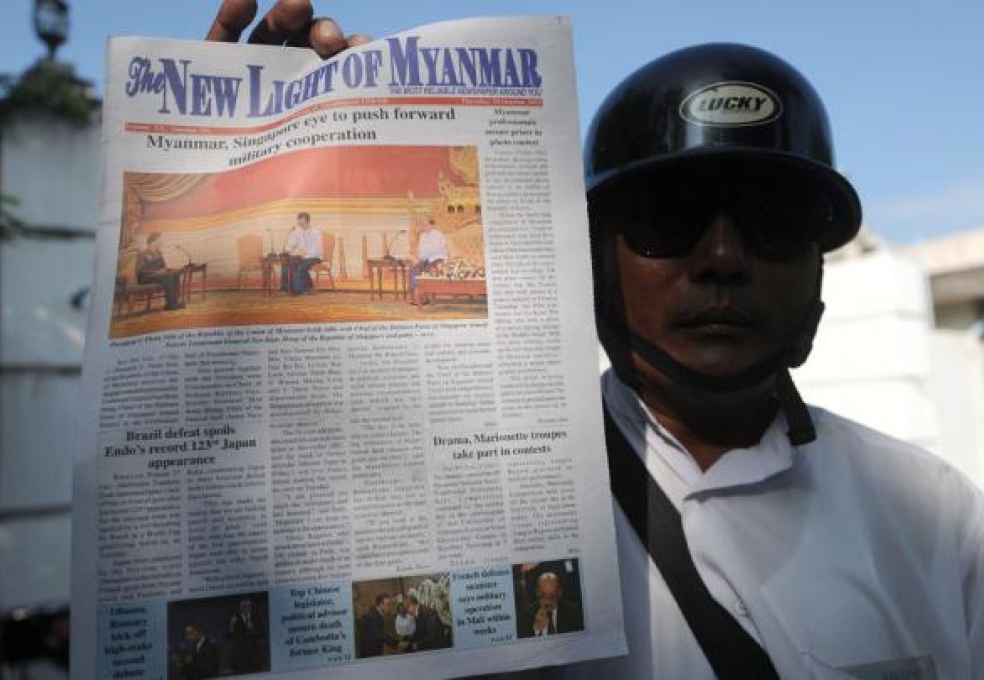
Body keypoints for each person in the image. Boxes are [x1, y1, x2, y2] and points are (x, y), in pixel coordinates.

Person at [207, 5, 984, 677]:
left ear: (818, 269)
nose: (721, 258)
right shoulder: (467, 499)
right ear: (593, 259)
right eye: (667, 216)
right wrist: (261, 165)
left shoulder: (935, 519)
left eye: (774, 217)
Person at [517, 572, 584, 638]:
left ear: (559, 592)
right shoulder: (526, 616)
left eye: (552, 596)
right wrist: (537, 630)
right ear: (537, 592)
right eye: (543, 595)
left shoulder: (574, 612)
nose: (547, 602)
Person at [136, 232, 184, 310]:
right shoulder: (142, 253)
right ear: (153, 241)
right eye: (160, 240)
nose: (161, 242)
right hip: (145, 277)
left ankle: (175, 301)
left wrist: (166, 270)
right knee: (168, 277)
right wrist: (156, 272)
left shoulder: (159, 252)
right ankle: (170, 304)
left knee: (175, 274)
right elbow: (140, 270)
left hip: (158, 276)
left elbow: (163, 266)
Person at [409, 215, 448, 304]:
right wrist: (417, 259)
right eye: (422, 224)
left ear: (431, 225)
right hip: (426, 259)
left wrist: (422, 259)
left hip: (438, 259)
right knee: (414, 270)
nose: (423, 226)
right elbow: (421, 251)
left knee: (426, 270)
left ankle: (424, 297)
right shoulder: (422, 235)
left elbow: (434, 250)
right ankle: (416, 296)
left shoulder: (438, 234)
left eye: (425, 224)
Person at [283, 212, 324, 294]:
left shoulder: (316, 233)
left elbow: (317, 250)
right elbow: (291, 243)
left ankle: (298, 290)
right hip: (303, 257)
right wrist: (288, 249)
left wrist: (304, 255)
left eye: (302, 223)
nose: (300, 226)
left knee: (301, 267)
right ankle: (287, 288)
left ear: (308, 222)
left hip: (315, 257)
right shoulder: (298, 232)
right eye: (299, 224)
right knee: (288, 263)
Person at [356, 593, 397, 658]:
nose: (389, 607)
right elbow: (379, 634)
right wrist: (396, 643)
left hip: (372, 651)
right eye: (387, 605)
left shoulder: (376, 614)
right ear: (380, 605)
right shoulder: (374, 616)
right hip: (370, 654)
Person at [227, 598, 263, 673]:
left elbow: (261, 635)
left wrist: (252, 627)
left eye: (248, 606)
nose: (246, 608)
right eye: (244, 606)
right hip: (240, 657)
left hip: (254, 657)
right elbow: (229, 636)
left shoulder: (256, 618)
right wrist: (231, 625)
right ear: (240, 607)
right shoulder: (235, 619)